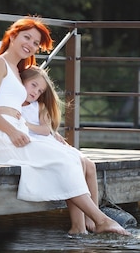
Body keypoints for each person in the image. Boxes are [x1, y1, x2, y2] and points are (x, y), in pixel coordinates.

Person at [0, 16, 130, 237]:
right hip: (5, 136)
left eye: (35, 42)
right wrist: (8, 133)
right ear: (13, 35)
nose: (30, 44)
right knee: (62, 160)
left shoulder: (16, 68)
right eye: (26, 37)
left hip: (13, 132)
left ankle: (80, 228)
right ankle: (101, 220)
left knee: (71, 158)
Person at [20, 65, 99, 234]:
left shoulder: (38, 107)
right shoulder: (14, 106)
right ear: (22, 80)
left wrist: (27, 125)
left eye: (40, 90)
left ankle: (91, 216)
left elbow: (45, 129)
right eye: (33, 85)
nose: (35, 92)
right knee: (77, 164)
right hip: (38, 146)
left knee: (90, 165)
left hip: (48, 141)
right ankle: (78, 225)